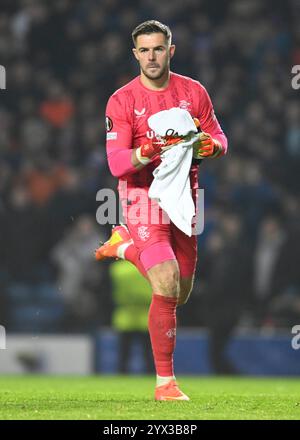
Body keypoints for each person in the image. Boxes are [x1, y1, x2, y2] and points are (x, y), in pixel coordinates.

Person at [95, 20, 228, 401]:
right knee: (166, 283)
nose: (151, 57)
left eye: (158, 49)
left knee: (180, 292)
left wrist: (211, 147)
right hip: (142, 197)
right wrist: (147, 151)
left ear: (171, 50)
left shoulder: (194, 91)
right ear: (135, 54)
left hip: (185, 198)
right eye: (144, 50)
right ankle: (165, 384)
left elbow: (219, 136)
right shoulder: (121, 100)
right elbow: (118, 164)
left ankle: (123, 247)